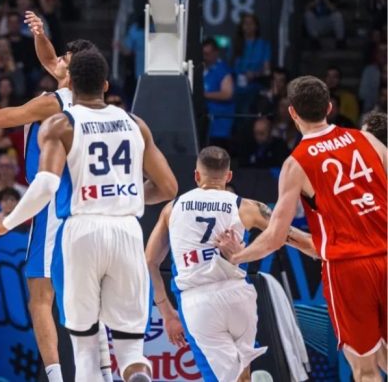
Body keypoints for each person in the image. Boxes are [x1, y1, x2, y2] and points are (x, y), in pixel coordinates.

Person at [0, 49, 178, 382]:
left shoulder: (61, 123)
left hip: (82, 230)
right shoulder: (135, 124)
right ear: (106, 85)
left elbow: (46, 185)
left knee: (85, 348)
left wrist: (6, 222)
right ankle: (136, 371)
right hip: (127, 229)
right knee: (130, 350)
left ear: (70, 83)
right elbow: (169, 187)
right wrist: (123, 196)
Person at [214, 76, 387, 381]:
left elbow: (275, 237)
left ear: (292, 113)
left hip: (349, 269)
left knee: (365, 369)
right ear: (329, 107)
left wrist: (237, 256)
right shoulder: (369, 141)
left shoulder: (296, 164)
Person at [0, 30, 108, 381]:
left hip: (55, 206)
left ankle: (57, 377)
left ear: (71, 73)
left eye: (63, 61)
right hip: (88, 205)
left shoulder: (55, 102)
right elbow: (48, 57)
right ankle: (103, 371)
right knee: (83, 299)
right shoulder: (93, 105)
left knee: (40, 297)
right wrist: (40, 33)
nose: (56, 62)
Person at [145, 147, 317, 382]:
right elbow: (298, 239)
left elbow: (150, 262)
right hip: (238, 295)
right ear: (228, 177)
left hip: (198, 301)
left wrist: (166, 312)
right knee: (243, 376)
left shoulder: (172, 208)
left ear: (196, 176)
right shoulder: (247, 207)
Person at [201, 38, 235, 151]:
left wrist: (203, 95)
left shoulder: (223, 70)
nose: (205, 57)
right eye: (203, 54)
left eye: (208, 54)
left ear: (215, 53)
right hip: (204, 125)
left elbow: (227, 93)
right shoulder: (200, 70)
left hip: (219, 127)